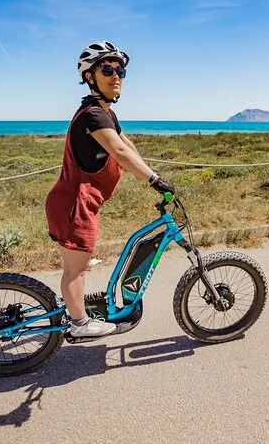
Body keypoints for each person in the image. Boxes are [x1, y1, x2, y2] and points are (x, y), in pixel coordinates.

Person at [45, 41, 174, 338]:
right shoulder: (93, 115)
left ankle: (77, 312)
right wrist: (154, 180)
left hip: (80, 202)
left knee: (77, 266)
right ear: (89, 76)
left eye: (120, 71)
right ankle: (79, 325)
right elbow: (119, 151)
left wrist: (152, 173)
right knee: (75, 269)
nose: (116, 76)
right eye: (107, 69)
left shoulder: (106, 114)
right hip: (75, 203)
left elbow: (128, 145)